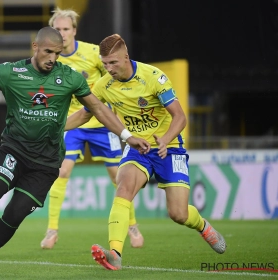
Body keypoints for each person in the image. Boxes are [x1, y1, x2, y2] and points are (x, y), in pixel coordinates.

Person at [0, 27, 151, 273]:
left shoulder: (70, 78)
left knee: (14, 215)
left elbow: (99, 110)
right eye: (48, 52)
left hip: (46, 165)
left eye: (57, 54)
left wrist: (127, 136)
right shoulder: (12, 72)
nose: (52, 58)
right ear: (35, 47)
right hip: (13, 153)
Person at [65, 34, 227, 271]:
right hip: (137, 148)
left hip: (169, 148)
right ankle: (115, 254)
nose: (108, 68)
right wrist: (56, 124)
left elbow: (180, 117)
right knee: (123, 189)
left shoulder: (153, 78)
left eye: (113, 62)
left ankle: (203, 226)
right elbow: (84, 114)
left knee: (179, 214)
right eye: (105, 63)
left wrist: (166, 140)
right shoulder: (103, 85)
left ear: (126, 57)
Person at [40, 8, 144, 250]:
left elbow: (114, 73)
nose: (62, 33)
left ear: (74, 30)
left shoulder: (92, 53)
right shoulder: (50, 59)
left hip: (100, 122)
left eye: (66, 29)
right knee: (62, 171)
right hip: (73, 122)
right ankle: (52, 230)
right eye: (57, 30)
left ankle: (132, 224)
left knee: (117, 176)